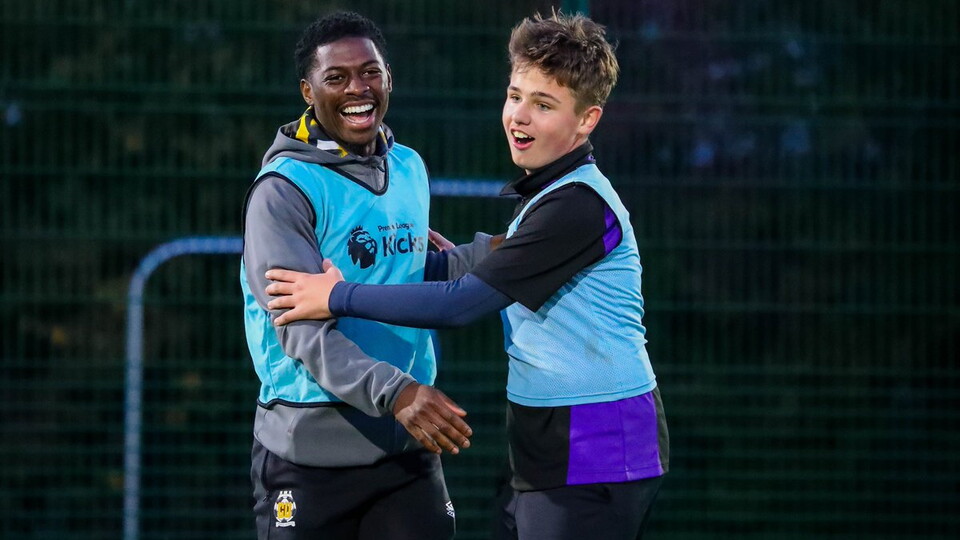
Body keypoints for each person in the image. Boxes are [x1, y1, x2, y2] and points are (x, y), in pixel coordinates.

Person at [264, 11, 669, 540]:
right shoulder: (552, 192)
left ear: (587, 120)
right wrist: (432, 261)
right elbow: (495, 265)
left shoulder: (576, 205)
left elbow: (460, 304)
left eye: (544, 105)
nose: (519, 117)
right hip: (550, 440)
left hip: (598, 443)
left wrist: (336, 295)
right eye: (515, 95)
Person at [239, 11, 475, 540]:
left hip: (407, 449)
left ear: (389, 77)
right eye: (336, 77)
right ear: (308, 90)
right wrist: (398, 392)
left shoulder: (409, 167)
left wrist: (516, 250)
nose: (357, 89)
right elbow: (300, 329)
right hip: (309, 459)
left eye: (370, 72)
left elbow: (412, 273)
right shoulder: (283, 191)